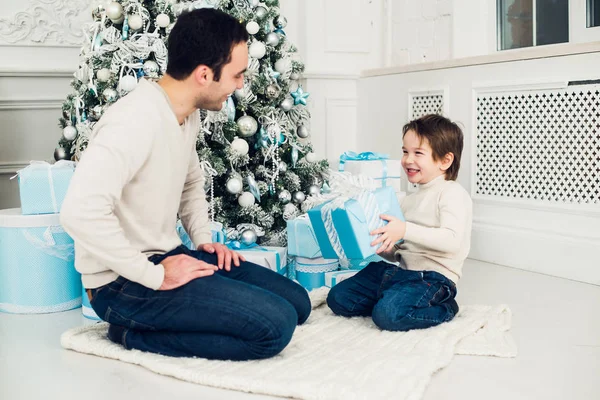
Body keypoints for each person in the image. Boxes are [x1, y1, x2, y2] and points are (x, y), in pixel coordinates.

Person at [60, 8, 310, 360]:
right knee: (274, 329)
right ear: (204, 75)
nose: (241, 85)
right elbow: (78, 213)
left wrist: (204, 242)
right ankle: (130, 334)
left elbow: (191, 182)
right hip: (119, 285)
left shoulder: (183, 113)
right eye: (237, 75)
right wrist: (154, 275)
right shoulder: (133, 122)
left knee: (297, 303)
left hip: (167, 256)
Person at [327, 114, 472, 331]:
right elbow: (398, 251)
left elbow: (452, 241)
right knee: (338, 298)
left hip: (433, 279)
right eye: (405, 151)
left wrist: (404, 228)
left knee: (388, 316)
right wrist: (379, 242)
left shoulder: (452, 193)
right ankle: (393, 299)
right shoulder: (408, 200)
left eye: (418, 153)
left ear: (445, 160)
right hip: (399, 274)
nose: (408, 160)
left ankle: (446, 308)